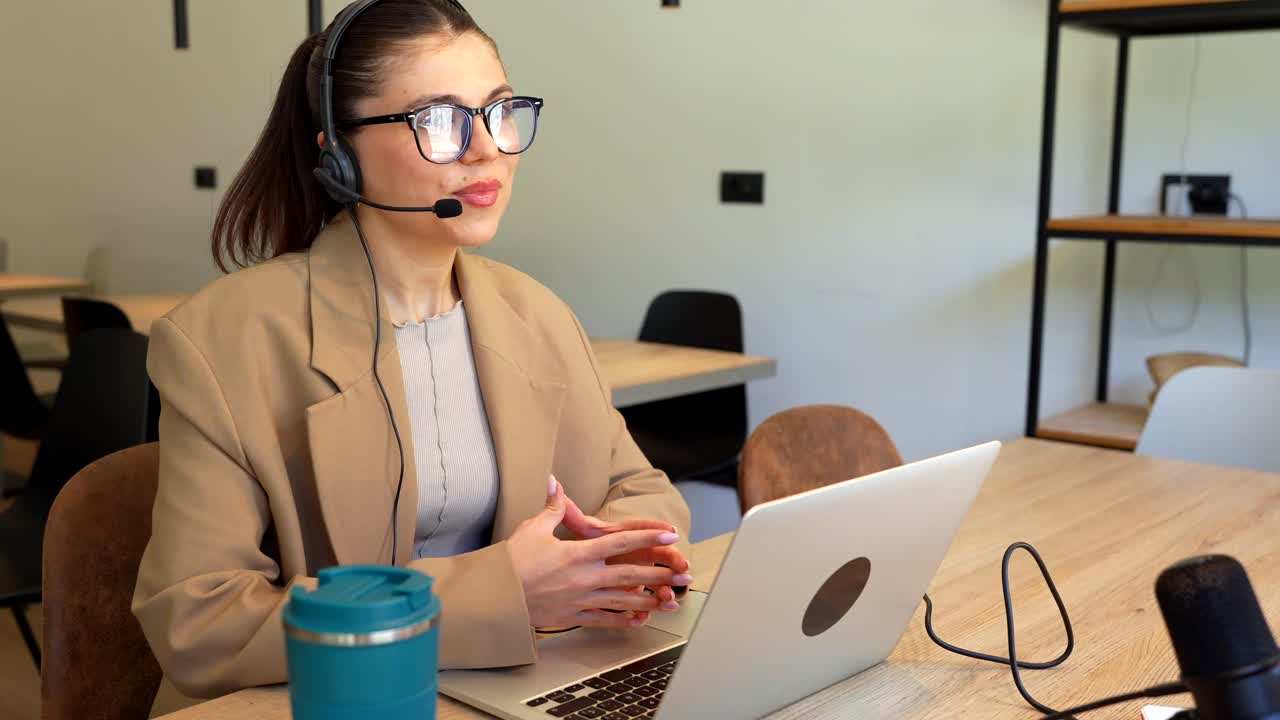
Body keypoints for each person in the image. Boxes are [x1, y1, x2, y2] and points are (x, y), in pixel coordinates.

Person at [133, 0, 691, 698]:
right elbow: (198, 622)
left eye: (498, 110)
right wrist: (505, 592)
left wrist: (603, 562)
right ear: (337, 153)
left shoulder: (539, 315)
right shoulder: (222, 341)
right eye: (438, 120)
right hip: (328, 700)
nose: (487, 147)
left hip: (524, 681)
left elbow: (641, 492)